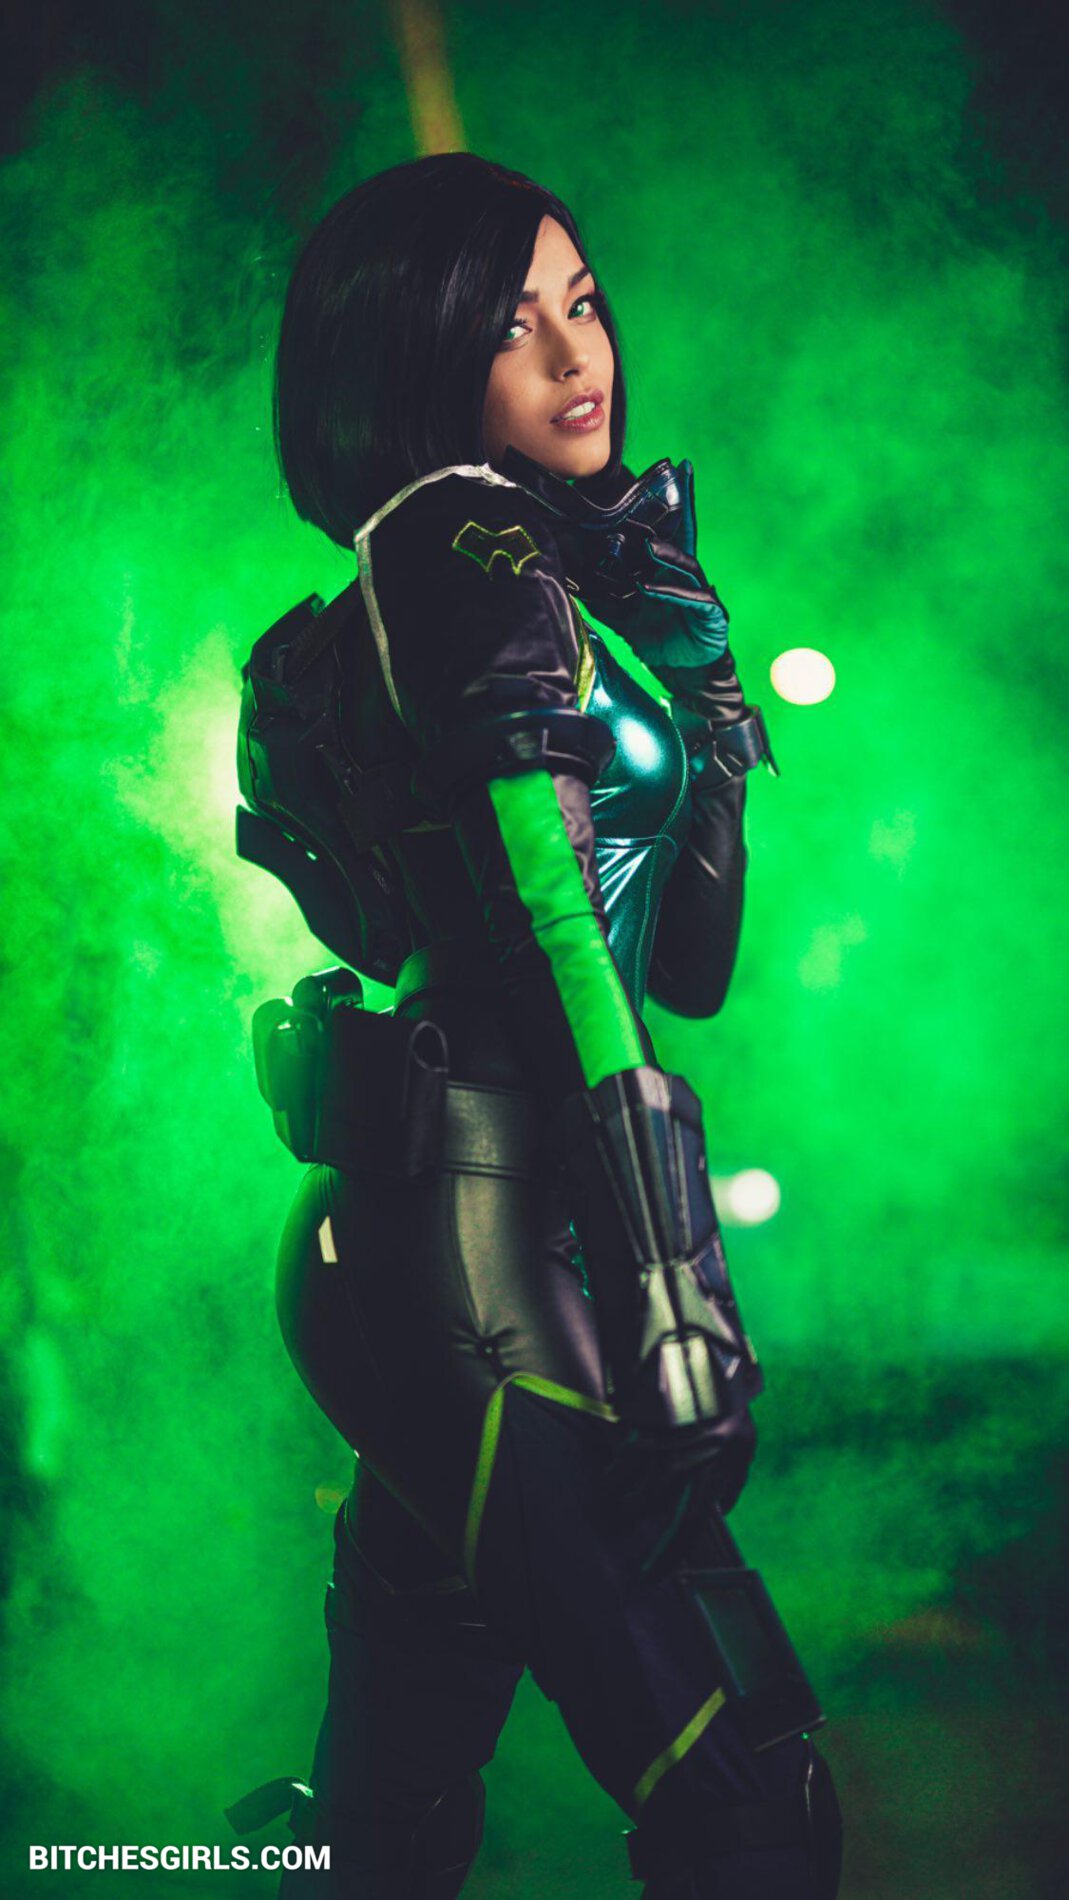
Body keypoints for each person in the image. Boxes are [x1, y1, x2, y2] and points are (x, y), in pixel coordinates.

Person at [224, 153, 842, 1898]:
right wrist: (667, 1267)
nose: (578, 361)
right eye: (512, 328)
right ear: (418, 355)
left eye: (583, 307)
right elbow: (556, 921)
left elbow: (686, 963)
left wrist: (702, 695)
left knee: (384, 1820)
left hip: (479, 1232)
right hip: (475, 1240)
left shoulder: (548, 572)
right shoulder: (451, 537)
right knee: (740, 1797)